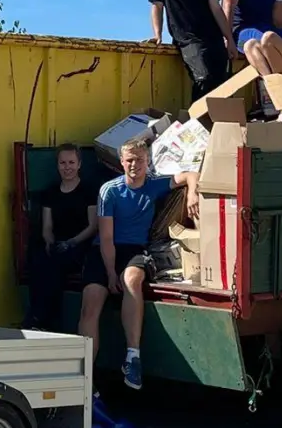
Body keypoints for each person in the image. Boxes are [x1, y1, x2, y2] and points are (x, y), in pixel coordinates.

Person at [78, 135, 199, 390]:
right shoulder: (109, 190)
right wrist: (110, 274)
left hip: (134, 249)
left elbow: (189, 175)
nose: (135, 165)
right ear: (122, 162)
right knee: (91, 303)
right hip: (105, 250)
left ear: (148, 162)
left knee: (132, 279)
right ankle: (84, 374)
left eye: (140, 160)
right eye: (130, 160)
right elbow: (107, 237)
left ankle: (133, 357)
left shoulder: (154, 185)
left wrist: (192, 195)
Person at [148, 0, 235, 102]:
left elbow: (217, 9)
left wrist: (229, 39)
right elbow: (157, 6)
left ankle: (220, 125)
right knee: (203, 78)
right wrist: (158, 35)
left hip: (214, 38)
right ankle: (197, 122)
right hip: (187, 39)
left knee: (223, 83)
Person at [26, 144, 98, 331]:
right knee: (38, 260)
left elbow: (93, 226)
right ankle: (36, 318)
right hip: (57, 244)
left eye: (71, 162)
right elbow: (47, 227)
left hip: (80, 244)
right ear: (57, 165)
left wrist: (71, 243)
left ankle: (41, 320)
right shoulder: (50, 193)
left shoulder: (88, 190)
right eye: (63, 163)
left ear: (79, 164)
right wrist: (50, 242)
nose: (67, 167)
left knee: (54, 265)